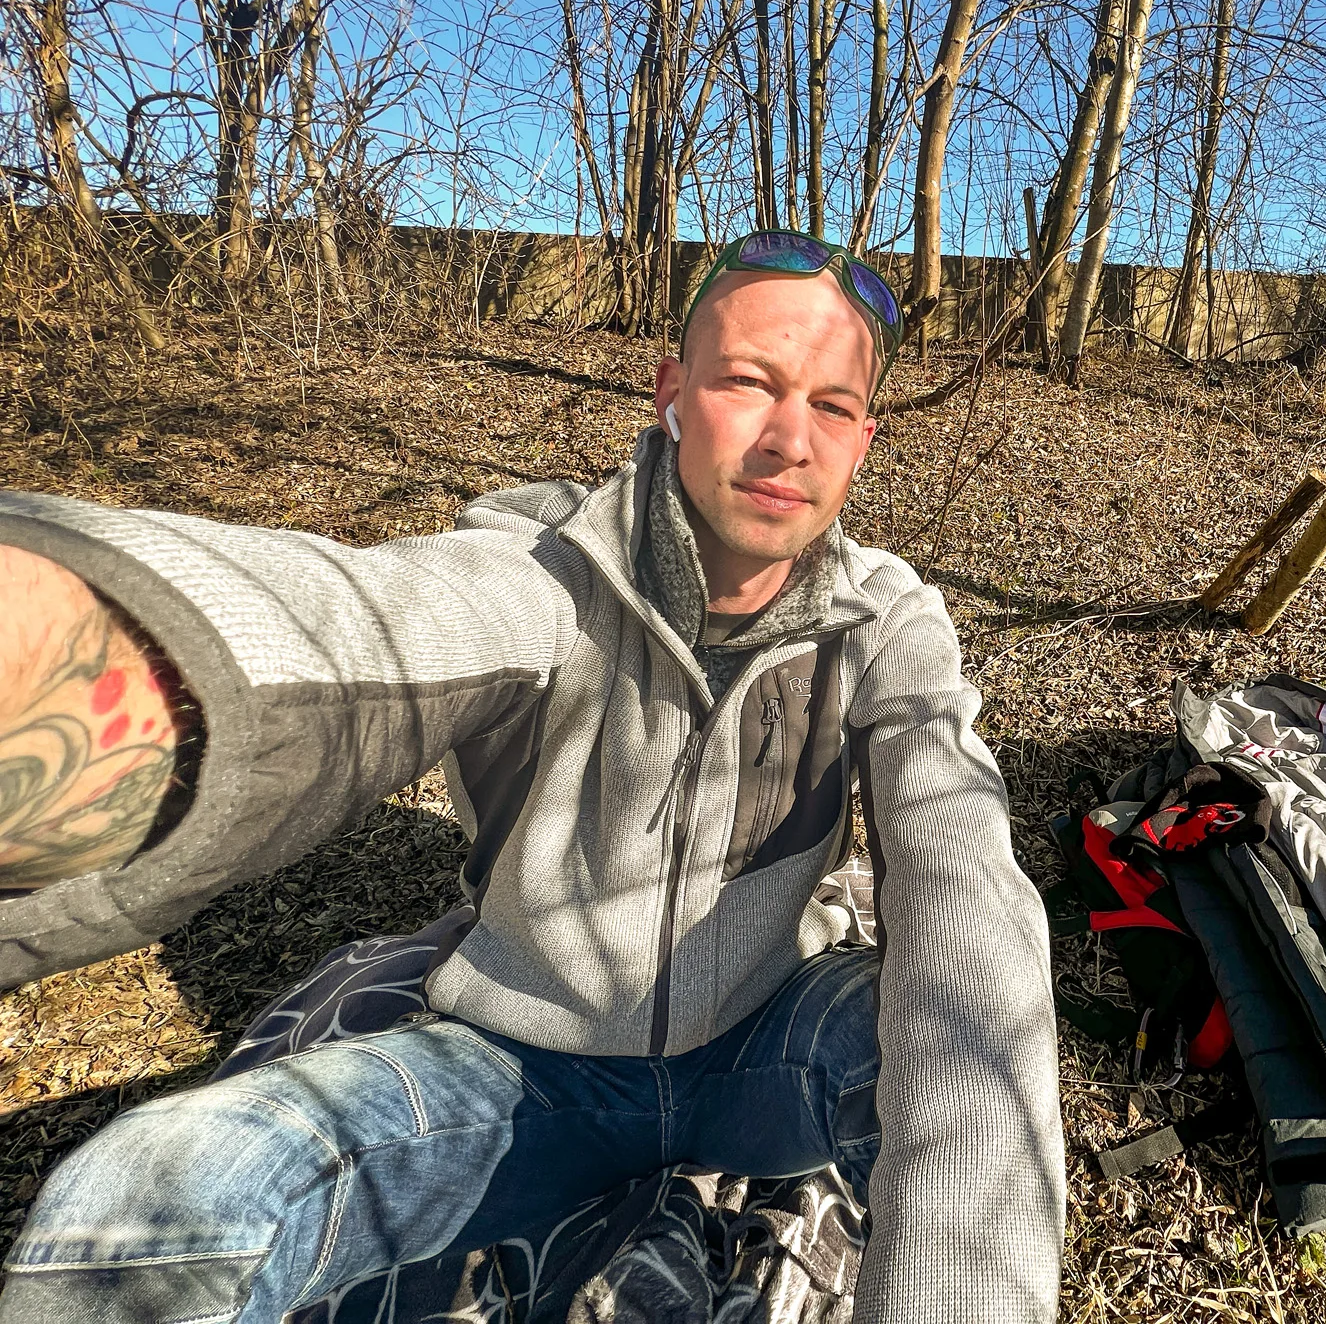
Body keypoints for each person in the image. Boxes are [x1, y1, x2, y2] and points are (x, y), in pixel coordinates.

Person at [0, 231, 1065, 1324]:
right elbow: (364, 629)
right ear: (674, 393)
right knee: (140, 1206)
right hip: (522, 1069)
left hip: (768, 1041)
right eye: (750, 382)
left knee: (962, 1038)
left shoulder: (884, 619)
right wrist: (100, 644)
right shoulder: (543, 566)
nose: (791, 439)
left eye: (834, 407)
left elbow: (961, 870)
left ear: (866, 440)